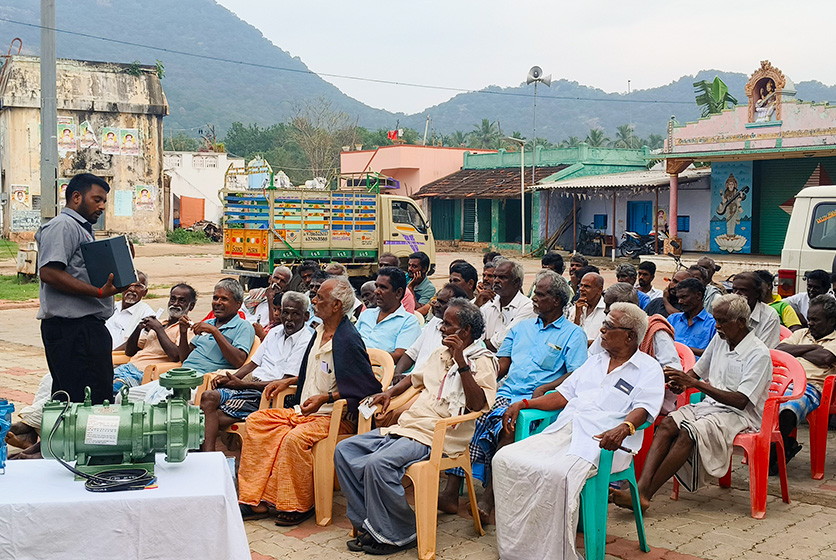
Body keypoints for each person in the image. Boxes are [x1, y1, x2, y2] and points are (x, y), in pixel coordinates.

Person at [494, 303, 664, 560]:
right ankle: (520, 546)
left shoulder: (648, 369)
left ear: (630, 335)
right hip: (565, 431)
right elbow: (561, 396)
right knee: (506, 460)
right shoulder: (595, 361)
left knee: (558, 475)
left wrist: (623, 428)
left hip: (605, 443)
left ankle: (557, 552)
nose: (602, 330)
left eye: (609, 326)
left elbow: (644, 408)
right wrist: (525, 403)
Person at [334, 298, 497, 555]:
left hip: (438, 434)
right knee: (345, 450)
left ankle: (402, 531)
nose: (441, 328)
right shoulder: (439, 354)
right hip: (409, 427)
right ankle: (372, 524)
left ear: (464, 331)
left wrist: (461, 363)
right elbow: (414, 378)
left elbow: (478, 405)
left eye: (448, 324)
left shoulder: (483, 361)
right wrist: (389, 393)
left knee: (378, 464)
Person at [440, 270, 587, 523]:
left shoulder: (574, 335)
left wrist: (547, 387)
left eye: (540, 295)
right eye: (534, 294)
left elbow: (576, 376)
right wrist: (481, 383)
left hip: (539, 401)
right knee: (470, 413)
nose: (534, 299)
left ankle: (490, 497)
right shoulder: (522, 328)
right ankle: (451, 492)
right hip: (507, 392)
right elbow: (503, 366)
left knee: (507, 423)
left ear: (557, 301)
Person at [237, 276, 382, 524]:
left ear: (336, 305)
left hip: (332, 418)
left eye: (320, 298)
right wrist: (289, 381)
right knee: (257, 422)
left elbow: (367, 388)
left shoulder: (347, 339)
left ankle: (299, 505)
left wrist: (326, 397)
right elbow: (311, 373)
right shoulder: (320, 331)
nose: (314, 300)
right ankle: (256, 500)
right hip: (304, 412)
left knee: (293, 439)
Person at [611, 294, 772, 511]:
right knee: (668, 423)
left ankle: (645, 494)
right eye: (716, 320)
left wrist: (693, 383)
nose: (717, 326)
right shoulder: (721, 340)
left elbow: (741, 401)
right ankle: (640, 489)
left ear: (741, 323)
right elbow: (696, 372)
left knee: (688, 431)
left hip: (741, 416)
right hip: (712, 408)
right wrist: (681, 382)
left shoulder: (758, 354)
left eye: (722, 321)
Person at [35, 173, 124, 404]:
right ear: (76, 197)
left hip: (85, 329)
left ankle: (58, 441)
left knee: (86, 398)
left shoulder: (82, 228)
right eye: (97, 199)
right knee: (85, 402)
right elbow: (49, 272)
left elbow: (83, 270)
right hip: (72, 330)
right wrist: (98, 293)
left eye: (104, 201)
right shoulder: (63, 225)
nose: (102, 206)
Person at [200, 292, 314, 452]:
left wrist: (241, 385)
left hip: (273, 395)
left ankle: (209, 457)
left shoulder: (306, 341)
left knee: (208, 416)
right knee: (208, 398)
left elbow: (285, 381)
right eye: (285, 312)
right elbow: (253, 364)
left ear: (306, 316)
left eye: (295, 314)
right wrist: (232, 378)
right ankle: (210, 457)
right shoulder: (274, 332)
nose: (289, 318)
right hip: (251, 387)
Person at [378, 284, 469, 428]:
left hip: (428, 390)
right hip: (411, 381)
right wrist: (397, 372)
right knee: (372, 405)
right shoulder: (434, 322)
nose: (436, 305)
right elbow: (411, 353)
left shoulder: (460, 339)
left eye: (443, 302)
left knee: (389, 413)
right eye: (437, 300)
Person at [588, 282, 681, 414]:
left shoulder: (656, 331)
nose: (605, 311)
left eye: (611, 307)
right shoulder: (609, 328)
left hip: (640, 396)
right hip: (603, 390)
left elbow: (673, 369)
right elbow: (591, 357)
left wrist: (633, 377)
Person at [772, 295, 836, 473]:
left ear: (831, 321)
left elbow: (826, 358)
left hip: (812, 387)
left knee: (787, 409)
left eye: (816, 320)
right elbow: (780, 351)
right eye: (809, 318)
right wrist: (813, 348)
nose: (810, 323)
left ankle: (774, 452)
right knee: (759, 402)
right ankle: (784, 446)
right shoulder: (802, 333)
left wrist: (797, 353)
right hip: (783, 382)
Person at [112, 284, 197, 393]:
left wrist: (158, 330)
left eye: (182, 301)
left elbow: (176, 356)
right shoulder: (160, 323)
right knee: (90, 381)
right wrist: (139, 328)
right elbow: (129, 351)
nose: (175, 304)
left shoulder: (187, 329)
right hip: (128, 367)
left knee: (109, 390)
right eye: (173, 299)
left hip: (145, 373)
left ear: (191, 306)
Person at [355, 267, 422, 363]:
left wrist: (362, 358)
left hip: (378, 370)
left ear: (398, 293)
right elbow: (351, 340)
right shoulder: (366, 314)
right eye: (376, 286)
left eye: (383, 287)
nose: (376, 291)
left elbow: (399, 356)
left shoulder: (409, 322)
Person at [480, 258, 535, 352]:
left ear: (516, 282)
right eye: (495, 276)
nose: (496, 281)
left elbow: (502, 342)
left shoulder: (528, 307)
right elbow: (475, 335)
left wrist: (479, 346)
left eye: (502, 277)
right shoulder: (489, 304)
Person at [105, 271, 154, 350]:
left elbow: (138, 342)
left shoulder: (147, 315)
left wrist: (110, 354)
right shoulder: (110, 307)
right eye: (128, 285)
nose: (132, 289)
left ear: (145, 292)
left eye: (138, 286)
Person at [668, 278, 717, 358]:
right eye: (678, 298)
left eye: (684, 297)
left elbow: (715, 353)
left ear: (698, 295)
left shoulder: (713, 324)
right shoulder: (672, 319)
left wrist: (685, 350)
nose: (680, 301)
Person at [733, 272, 781, 348]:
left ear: (757, 293)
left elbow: (765, 351)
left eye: (743, 290)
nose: (737, 294)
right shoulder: (728, 313)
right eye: (734, 290)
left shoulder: (770, 316)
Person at [567, 271, 606, 343]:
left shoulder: (607, 311)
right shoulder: (575, 308)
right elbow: (569, 336)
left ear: (600, 290)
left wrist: (584, 343)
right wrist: (577, 317)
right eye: (581, 286)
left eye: (587, 286)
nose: (581, 289)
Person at [407, 251, 436, 316]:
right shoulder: (406, 279)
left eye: (414, 266)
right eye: (409, 265)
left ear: (424, 269)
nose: (410, 269)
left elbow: (418, 310)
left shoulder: (429, 288)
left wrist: (411, 288)